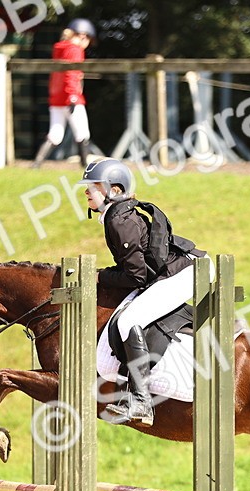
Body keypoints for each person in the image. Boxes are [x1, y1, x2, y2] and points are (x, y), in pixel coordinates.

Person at [78, 159, 206, 425]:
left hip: (185, 273)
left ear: (114, 190)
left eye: (93, 186)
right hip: (175, 271)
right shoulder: (117, 215)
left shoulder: (118, 219)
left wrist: (99, 276)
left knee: (128, 320)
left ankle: (142, 402)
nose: (87, 191)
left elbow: (136, 276)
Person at [32, 18, 96, 168]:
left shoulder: (59, 49)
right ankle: (85, 168)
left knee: (55, 135)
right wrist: (73, 96)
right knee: (82, 133)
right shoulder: (75, 50)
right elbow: (71, 74)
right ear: (82, 36)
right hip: (71, 97)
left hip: (56, 98)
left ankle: (36, 164)